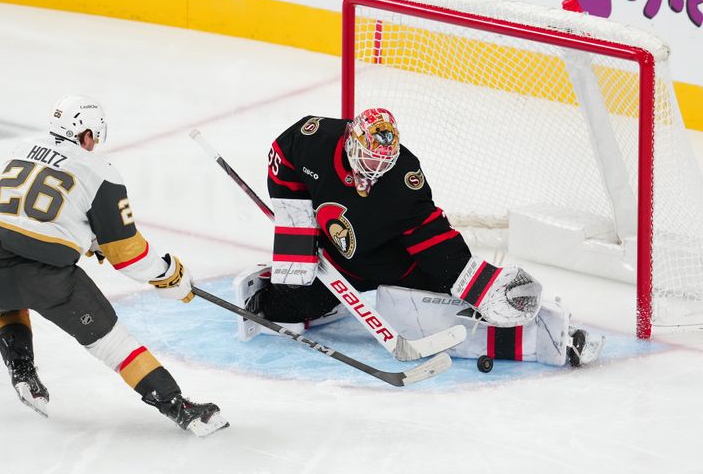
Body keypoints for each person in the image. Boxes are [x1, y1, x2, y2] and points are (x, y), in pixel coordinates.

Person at [234, 108, 604, 368]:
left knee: (449, 304)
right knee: (284, 310)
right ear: (351, 141)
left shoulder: (404, 177)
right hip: (336, 260)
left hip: (392, 260)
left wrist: (472, 283)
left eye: (384, 163)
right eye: (368, 159)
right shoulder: (313, 137)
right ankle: (309, 297)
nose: (375, 171)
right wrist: (299, 230)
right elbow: (282, 160)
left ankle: (553, 335)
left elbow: (430, 236)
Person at [0, 95, 228, 436]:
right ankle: (180, 409)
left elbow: (22, 217)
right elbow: (127, 254)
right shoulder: (99, 172)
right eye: (94, 137)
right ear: (86, 134)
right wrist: (168, 273)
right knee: (115, 345)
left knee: (4, 299)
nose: (94, 144)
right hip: (42, 278)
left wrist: (86, 237)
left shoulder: (21, 149)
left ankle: (22, 370)